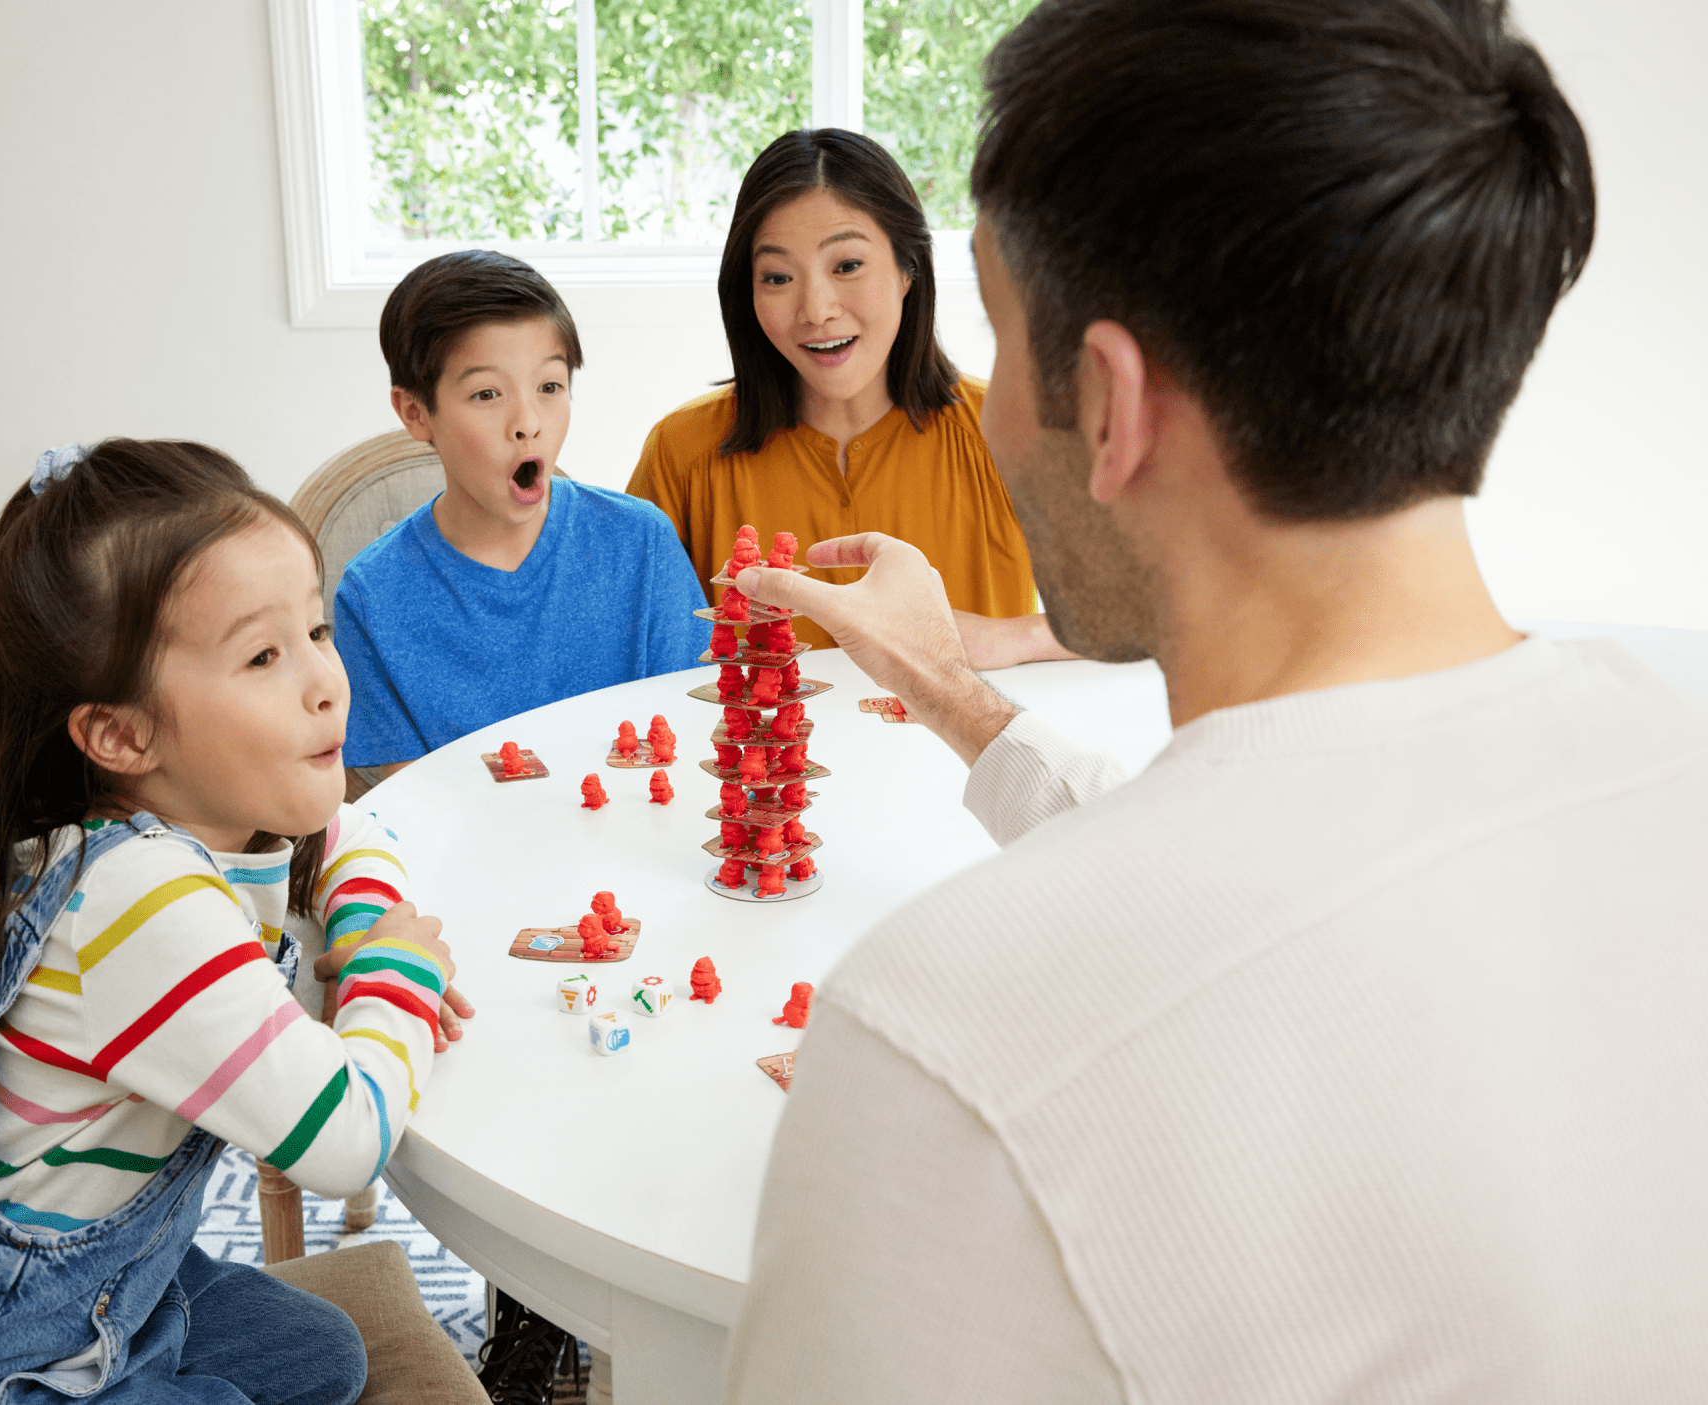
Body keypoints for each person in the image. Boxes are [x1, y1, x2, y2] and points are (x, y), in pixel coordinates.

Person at [722, 1, 1708, 1400]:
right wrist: (951, 690)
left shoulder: (941, 1037)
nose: (993, 416)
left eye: (1000, 341)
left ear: (1110, 406)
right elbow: (1286, 873)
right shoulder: (1669, 769)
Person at [0, 440, 470, 1404]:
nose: (324, 680)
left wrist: (365, 924)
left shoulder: (195, 822)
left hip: (83, 1297)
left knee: (323, 1354)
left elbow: (354, 825)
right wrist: (398, 977)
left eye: (316, 629)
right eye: (265, 655)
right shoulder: (144, 907)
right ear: (121, 733)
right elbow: (345, 1140)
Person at [628, 128, 1073, 667]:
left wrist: (1010, 638)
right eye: (776, 276)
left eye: (847, 266)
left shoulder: (1006, 428)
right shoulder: (682, 452)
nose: (816, 308)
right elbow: (623, 650)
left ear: (908, 269)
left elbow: (1155, 607)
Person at [335, 250, 710, 785]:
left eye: (550, 387)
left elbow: (694, 731)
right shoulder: (372, 596)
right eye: (486, 394)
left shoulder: (641, 543)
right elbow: (413, 805)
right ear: (415, 412)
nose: (528, 423)